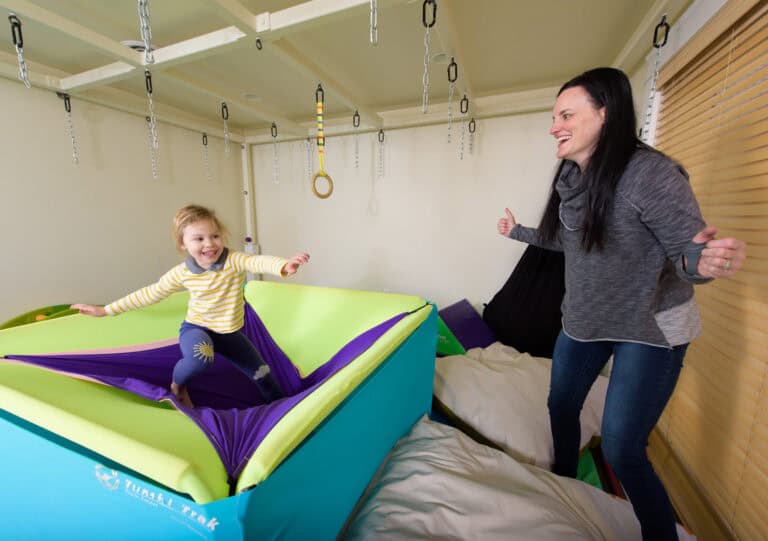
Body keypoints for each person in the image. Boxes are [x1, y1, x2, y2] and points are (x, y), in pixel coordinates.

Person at [497, 67, 746, 540]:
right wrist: (519, 233)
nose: (554, 125)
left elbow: (687, 254)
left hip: (649, 328)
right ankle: (566, 485)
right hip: (587, 321)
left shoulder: (650, 174)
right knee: (560, 404)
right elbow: (567, 239)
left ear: (605, 114)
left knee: (623, 447)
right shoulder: (571, 177)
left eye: (566, 114)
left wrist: (706, 261)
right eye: (554, 117)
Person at [72, 204, 310, 409]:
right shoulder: (182, 273)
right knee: (200, 356)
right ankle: (178, 384)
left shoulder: (234, 260)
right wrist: (105, 310)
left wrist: (284, 266)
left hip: (229, 334)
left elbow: (257, 261)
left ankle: (281, 407)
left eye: (215, 236)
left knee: (263, 374)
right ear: (183, 244)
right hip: (197, 329)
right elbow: (151, 293)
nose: (209, 244)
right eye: (199, 239)